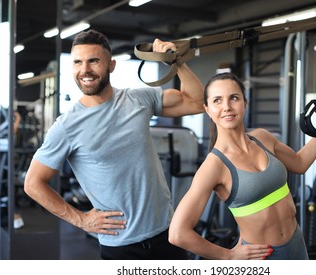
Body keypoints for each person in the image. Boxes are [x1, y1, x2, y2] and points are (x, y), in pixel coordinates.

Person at [24, 29, 204, 260]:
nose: (85, 70)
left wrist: (176, 61)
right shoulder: (66, 126)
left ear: (111, 65)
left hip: (169, 233)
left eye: (94, 61)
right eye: (78, 62)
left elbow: (197, 103)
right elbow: (33, 183)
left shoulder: (138, 99)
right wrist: (81, 220)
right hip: (122, 246)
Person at [168, 72, 316, 260]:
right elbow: (178, 233)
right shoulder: (213, 166)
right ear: (207, 109)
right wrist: (229, 256)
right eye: (217, 100)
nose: (226, 107)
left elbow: (299, 163)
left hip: (297, 245)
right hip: (262, 257)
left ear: (245, 103)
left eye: (234, 98)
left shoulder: (262, 138)